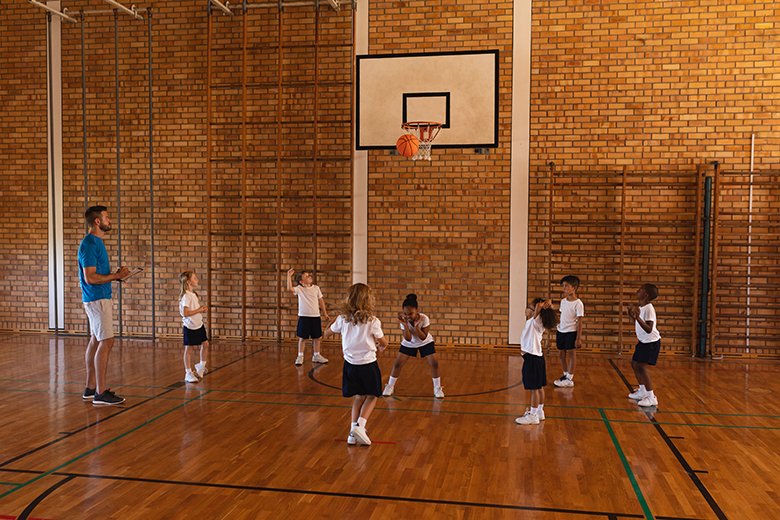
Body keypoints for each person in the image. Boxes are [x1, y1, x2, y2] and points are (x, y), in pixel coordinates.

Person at [324, 283, 388, 446]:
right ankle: (361, 425)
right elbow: (383, 341)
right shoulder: (372, 321)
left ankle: (352, 434)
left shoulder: (342, 319)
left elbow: (327, 333)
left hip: (350, 365)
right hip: (368, 364)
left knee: (359, 397)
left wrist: (330, 325)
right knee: (372, 396)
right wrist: (382, 345)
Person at [78, 205, 130, 406]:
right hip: (97, 298)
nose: (110, 220)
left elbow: (98, 274)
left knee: (96, 340)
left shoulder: (96, 243)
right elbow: (90, 277)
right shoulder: (89, 244)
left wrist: (116, 275)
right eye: (107, 217)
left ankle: (90, 388)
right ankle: (100, 393)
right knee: (106, 342)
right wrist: (116, 276)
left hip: (99, 296)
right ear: (97, 221)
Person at [382, 293, 443, 398]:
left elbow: (423, 337)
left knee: (434, 363)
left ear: (417, 311)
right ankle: (390, 386)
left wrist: (416, 327)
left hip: (425, 342)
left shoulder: (424, 318)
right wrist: (406, 325)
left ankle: (437, 388)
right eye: (405, 314)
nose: (407, 316)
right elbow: (408, 338)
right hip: (409, 343)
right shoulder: (403, 321)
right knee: (397, 364)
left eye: (410, 314)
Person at [515, 298, 558, 425]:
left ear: (535, 311)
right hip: (537, 358)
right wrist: (547, 305)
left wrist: (545, 304)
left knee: (534, 388)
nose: (526, 309)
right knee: (539, 388)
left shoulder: (535, 321)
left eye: (529, 307)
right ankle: (539, 411)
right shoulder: (535, 322)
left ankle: (533, 416)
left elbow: (540, 305)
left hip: (532, 359)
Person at [627, 284, 662, 407]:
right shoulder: (641, 307)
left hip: (651, 342)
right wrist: (632, 315)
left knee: (641, 367)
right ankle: (642, 391)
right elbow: (638, 322)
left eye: (640, 290)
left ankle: (651, 397)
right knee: (634, 364)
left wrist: (637, 318)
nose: (637, 290)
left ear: (646, 294)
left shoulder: (649, 308)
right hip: (643, 342)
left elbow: (649, 329)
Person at [287, 268, 330, 366]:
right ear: (301, 281)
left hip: (315, 317)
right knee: (302, 338)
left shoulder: (316, 288)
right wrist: (288, 276)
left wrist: (325, 313)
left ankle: (316, 355)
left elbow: (321, 301)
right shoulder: (299, 289)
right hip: (304, 317)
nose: (309, 276)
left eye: (309, 275)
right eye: (306, 276)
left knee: (317, 338)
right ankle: (300, 356)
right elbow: (290, 288)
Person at [554, 275, 584, 388]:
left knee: (571, 354)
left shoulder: (578, 303)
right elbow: (562, 315)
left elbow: (580, 321)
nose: (564, 288)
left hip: (571, 332)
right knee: (561, 354)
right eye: (563, 286)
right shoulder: (563, 301)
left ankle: (570, 378)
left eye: (567, 286)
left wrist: (578, 338)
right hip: (561, 330)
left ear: (574, 287)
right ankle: (565, 374)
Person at [179, 271, 209, 383]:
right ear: (188, 282)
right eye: (195, 278)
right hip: (190, 327)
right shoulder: (186, 296)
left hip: (198, 325)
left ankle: (201, 366)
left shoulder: (193, 294)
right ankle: (188, 373)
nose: (197, 280)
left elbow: (193, 310)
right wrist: (200, 310)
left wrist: (201, 310)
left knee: (205, 344)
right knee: (189, 349)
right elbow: (185, 313)